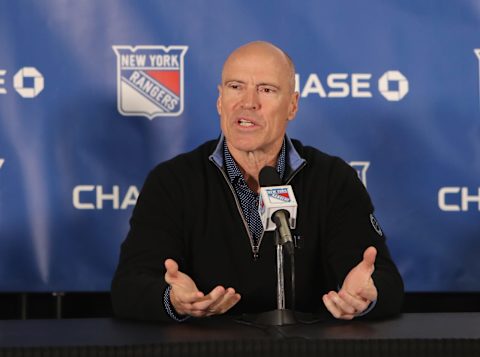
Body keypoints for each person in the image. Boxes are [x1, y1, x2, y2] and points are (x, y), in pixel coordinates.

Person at [111, 41, 404, 322]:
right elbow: (128, 288)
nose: (248, 103)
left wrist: (366, 295)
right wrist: (172, 301)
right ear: (220, 100)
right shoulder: (173, 181)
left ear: (292, 105)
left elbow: (384, 282)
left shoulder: (333, 179)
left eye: (266, 89)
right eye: (235, 87)